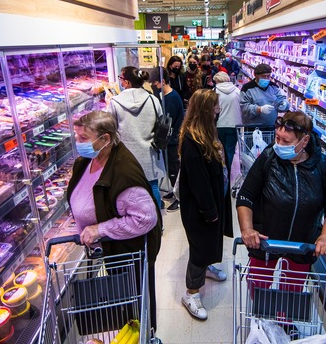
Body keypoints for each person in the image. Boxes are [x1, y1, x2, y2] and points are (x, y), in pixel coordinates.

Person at [67, 111, 162, 336]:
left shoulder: (123, 173)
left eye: (84, 138)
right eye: (76, 136)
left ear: (105, 139)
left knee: (135, 306)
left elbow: (146, 218)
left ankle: (143, 335)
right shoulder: (89, 160)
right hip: (110, 253)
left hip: (128, 254)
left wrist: (99, 229)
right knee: (122, 306)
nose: (78, 143)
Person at [237, 111, 326, 280]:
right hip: (266, 243)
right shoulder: (268, 158)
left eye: (286, 141)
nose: (278, 144)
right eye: (277, 138)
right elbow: (245, 196)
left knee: (292, 296)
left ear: (305, 141)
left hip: (302, 245)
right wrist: (247, 229)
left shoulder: (322, 165)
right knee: (259, 291)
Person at [178, 90, 232, 321]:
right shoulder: (192, 139)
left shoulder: (207, 131)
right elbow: (198, 182)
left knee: (210, 241)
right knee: (200, 247)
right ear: (205, 110)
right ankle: (191, 293)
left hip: (214, 201)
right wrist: (209, 210)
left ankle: (207, 268)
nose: (218, 110)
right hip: (200, 207)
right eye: (215, 107)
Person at [108, 66, 165, 208]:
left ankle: (137, 223)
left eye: (121, 79)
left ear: (127, 82)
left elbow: (111, 128)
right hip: (149, 152)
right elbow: (160, 122)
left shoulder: (115, 102)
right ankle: (156, 224)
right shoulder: (153, 100)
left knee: (129, 190)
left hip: (125, 155)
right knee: (152, 187)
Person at [148, 67, 184, 212]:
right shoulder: (166, 96)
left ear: (162, 81)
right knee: (170, 170)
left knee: (174, 170)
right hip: (170, 141)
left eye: (155, 84)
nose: (154, 87)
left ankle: (180, 199)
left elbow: (167, 122)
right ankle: (175, 194)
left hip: (173, 141)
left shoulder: (172, 98)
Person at [240, 63, 289, 128]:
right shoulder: (247, 88)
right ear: (255, 75)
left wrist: (285, 104)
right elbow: (244, 108)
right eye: (263, 76)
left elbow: (281, 99)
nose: (266, 79)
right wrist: (259, 109)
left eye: (268, 76)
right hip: (253, 129)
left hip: (271, 127)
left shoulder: (274, 87)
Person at [213, 72, 241, 172]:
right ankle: (228, 170)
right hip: (234, 124)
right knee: (230, 149)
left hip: (219, 124)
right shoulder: (237, 91)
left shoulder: (214, 91)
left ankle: (221, 168)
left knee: (220, 148)